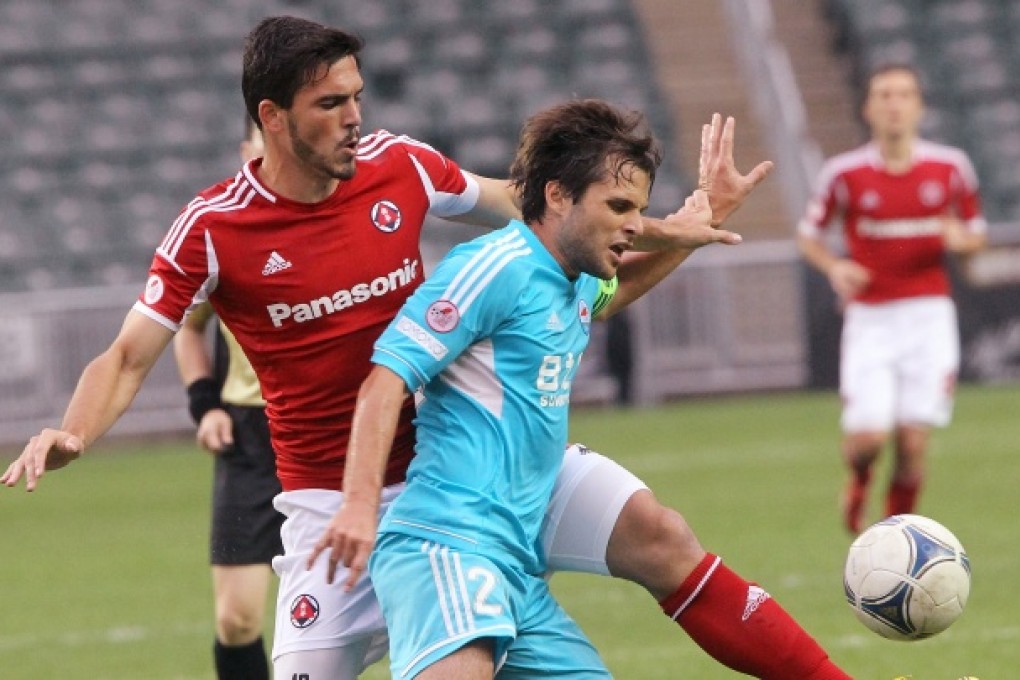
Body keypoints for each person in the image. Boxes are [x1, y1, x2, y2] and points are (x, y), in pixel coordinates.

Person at [3, 15, 842, 680]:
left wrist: (678, 223)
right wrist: (74, 430)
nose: (355, 118)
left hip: (476, 458)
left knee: (659, 534)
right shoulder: (214, 230)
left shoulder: (399, 165)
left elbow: (539, 207)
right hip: (338, 505)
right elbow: (124, 357)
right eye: (330, 105)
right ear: (271, 117)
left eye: (357, 97)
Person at [314, 99, 850, 679]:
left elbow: (611, 296)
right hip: (448, 545)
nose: (635, 225)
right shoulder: (498, 265)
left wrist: (703, 222)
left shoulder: (573, 278)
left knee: (660, 534)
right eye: (618, 206)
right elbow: (386, 377)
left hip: (515, 561)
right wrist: (360, 505)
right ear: (557, 195)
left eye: (639, 210)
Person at [797, 63, 987, 534]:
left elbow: (976, 232)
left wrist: (961, 241)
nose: (894, 104)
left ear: (919, 106)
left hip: (929, 315)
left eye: (904, 94)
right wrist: (835, 266)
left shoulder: (950, 168)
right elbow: (809, 236)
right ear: (869, 108)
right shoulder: (845, 173)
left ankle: (894, 534)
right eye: (884, 95)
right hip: (871, 317)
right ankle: (859, 479)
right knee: (868, 440)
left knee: (913, 441)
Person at [171, 119, 281, 680]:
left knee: (361, 611)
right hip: (250, 438)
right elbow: (188, 328)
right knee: (237, 619)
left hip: (331, 430)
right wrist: (205, 405)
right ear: (248, 150)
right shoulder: (221, 233)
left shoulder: (338, 217)